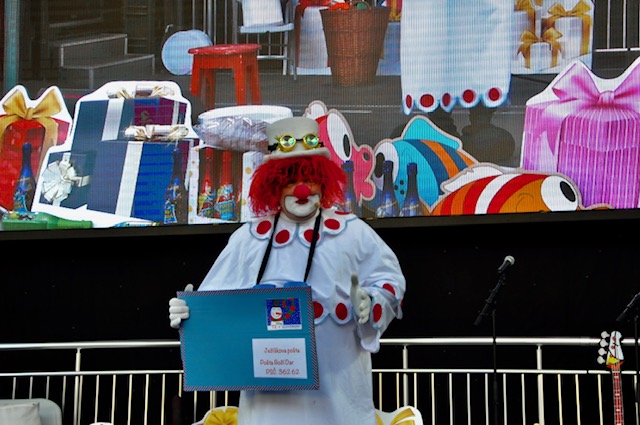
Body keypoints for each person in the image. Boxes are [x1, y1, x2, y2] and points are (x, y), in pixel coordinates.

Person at [169, 116, 406, 425]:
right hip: (270, 400)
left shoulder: (353, 232)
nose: (303, 189)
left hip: (337, 394)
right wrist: (191, 313)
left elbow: (389, 280)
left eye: (310, 178)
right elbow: (215, 304)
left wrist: (373, 303)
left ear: (324, 181)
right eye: (291, 180)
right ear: (274, 185)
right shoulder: (249, 239)